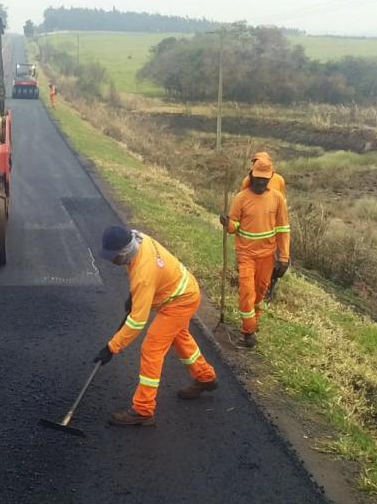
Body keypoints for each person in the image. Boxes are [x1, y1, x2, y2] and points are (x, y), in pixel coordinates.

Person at [94, 225, 219, 426]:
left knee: (151, 349)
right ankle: (206, 376)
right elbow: (138, 276)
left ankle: (143, 410)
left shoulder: (144, 272)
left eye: (113, 256)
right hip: (178, 290)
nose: (110, 259)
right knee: (179, 337)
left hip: (181, 299)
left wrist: (111, 347)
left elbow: (136, 322)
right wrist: (133, 297)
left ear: (126, 252)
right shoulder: (137, 239)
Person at [219, 157, 290, 348]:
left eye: (264, 178)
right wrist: (228, 224)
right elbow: (234, 226)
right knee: (246, 292)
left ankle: (253, 320)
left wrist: (284, 257)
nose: (260, 182)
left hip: (267, 256)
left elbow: (283, 229)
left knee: (260, 292)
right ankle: (248, 331)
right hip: (246, 255)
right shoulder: (241, 198)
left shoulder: (277, 198)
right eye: (257, 177)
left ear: (271, 177)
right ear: (251, 175)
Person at [239, 152, 287, 301]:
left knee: (275, 260)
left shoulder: (279, 180)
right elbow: (242, 203)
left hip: (272, 226)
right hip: (253, 230)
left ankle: (269, 287)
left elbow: (282, 203)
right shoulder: (247, 181)